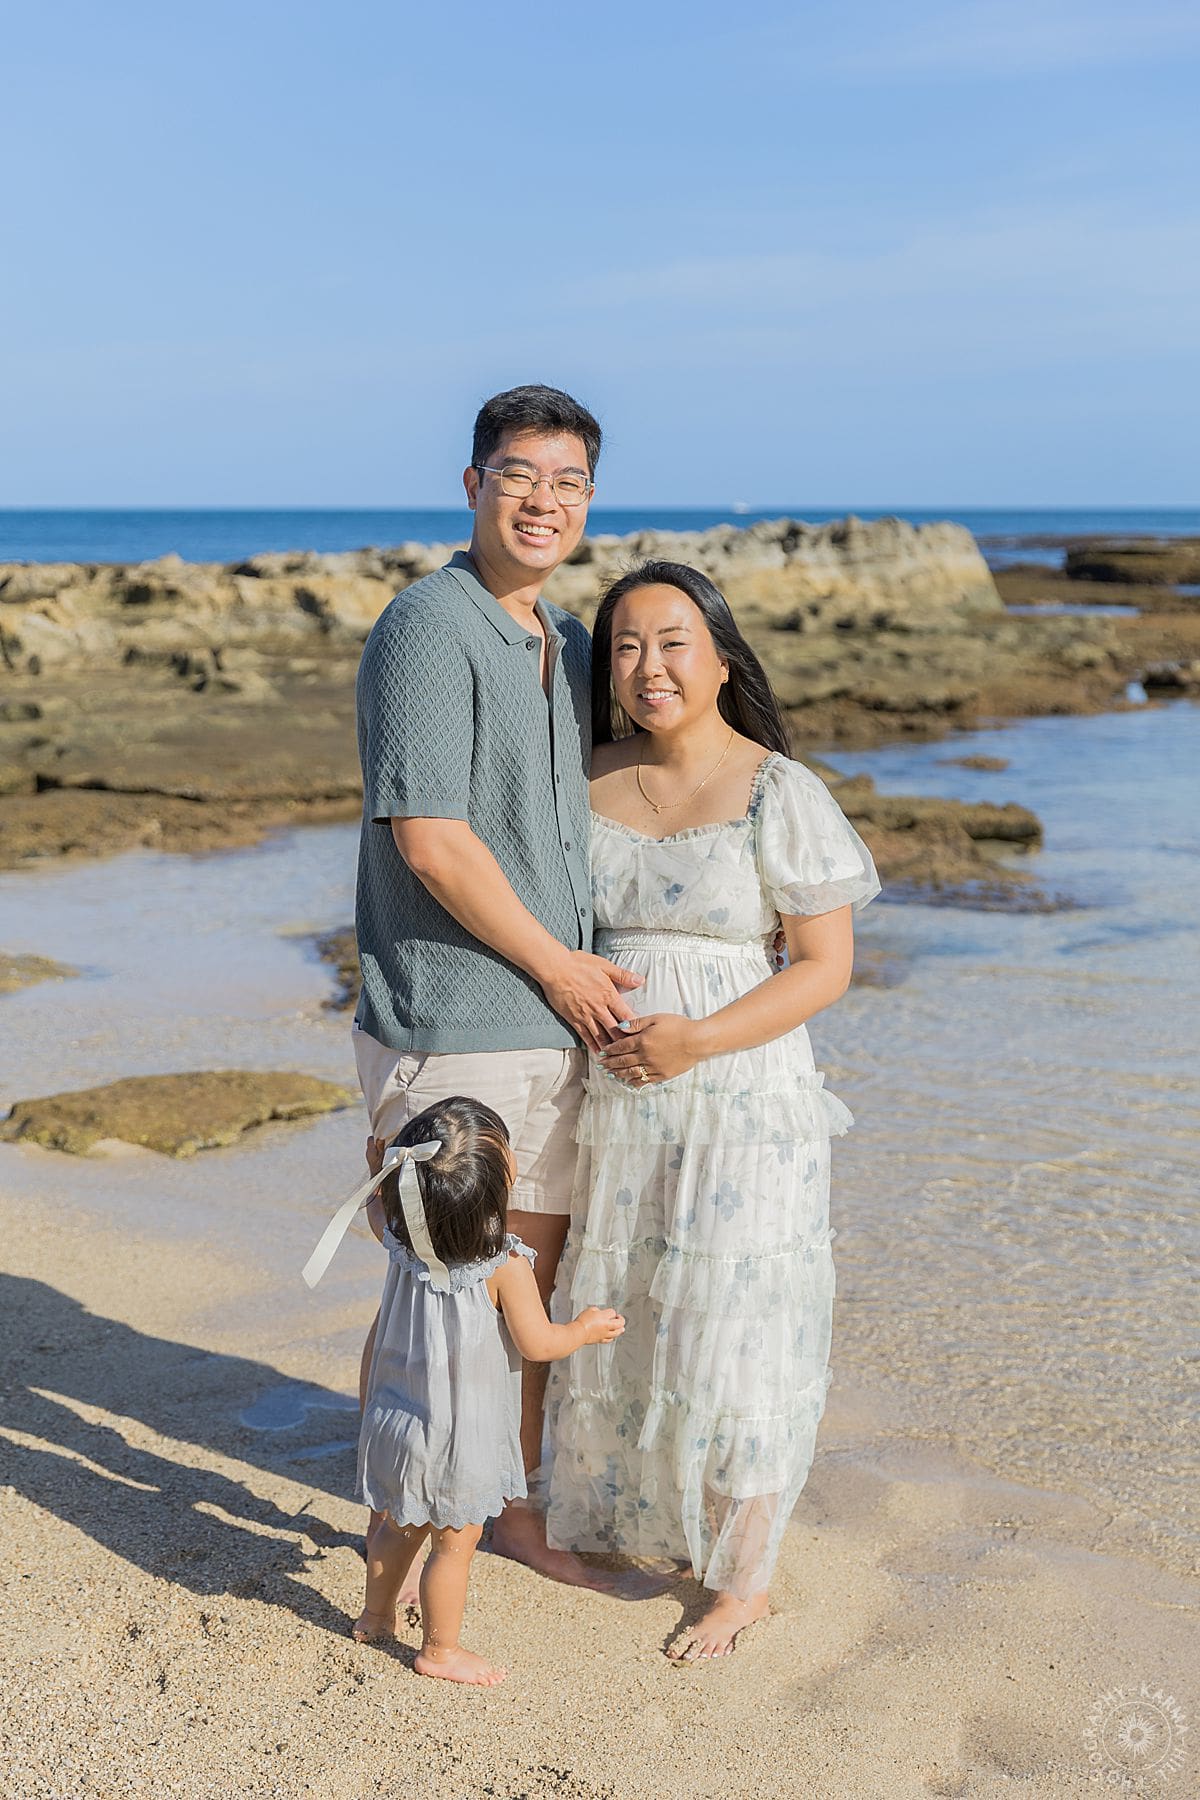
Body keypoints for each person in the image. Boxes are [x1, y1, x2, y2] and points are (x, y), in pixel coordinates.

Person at [546, 560, 881, 1660]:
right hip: (614, 1089)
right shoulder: (581, 780)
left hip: (741, 1090)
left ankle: (742, 1575)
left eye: (675, 641)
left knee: (737, 1320)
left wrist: (694, 1037)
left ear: (722, 657)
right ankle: (625, 1516)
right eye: (629, 645)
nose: (650, 665)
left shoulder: (777, 790)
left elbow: (824, 967)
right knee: (628, 1297)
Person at [351, 385, 642, 1591]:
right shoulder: (430, 626)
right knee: (443, 1286)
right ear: (473, 485)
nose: (544, 500)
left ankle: (494, 1510)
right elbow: (432, 838)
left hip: (544, 1016)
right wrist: (565, 965)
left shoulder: (567, 642)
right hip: (454, 1012)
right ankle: (402, 1510)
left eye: (568, 481)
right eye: (520, 474)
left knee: (521, 1282)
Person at [335, 1097, 624, 1686]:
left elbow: (375, 1211)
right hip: (457, 1436)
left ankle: (374, 1615)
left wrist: (375, 1178)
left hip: (398, 1417)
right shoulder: (503, 1265)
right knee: (454, 1544)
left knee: (397, 1523)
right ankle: (440, 1651)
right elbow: (538, 1342)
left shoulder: (399, 1237)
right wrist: (586, 1329)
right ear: (504, 1183)